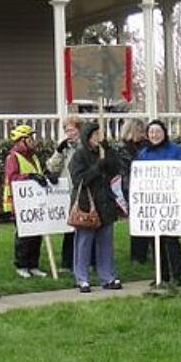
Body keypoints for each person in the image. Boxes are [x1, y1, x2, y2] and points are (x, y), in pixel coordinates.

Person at [68, 122, 123, 292]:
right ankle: (82, 278)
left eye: (100, 135)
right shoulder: (79, 156)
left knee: (105, 243)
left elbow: (116, 169)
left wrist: (109, 153)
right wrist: (96, 168)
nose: (99, 138)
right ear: (88, 137)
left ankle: (107, 277)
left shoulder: (104, 152)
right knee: (84, 242)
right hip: (87, 204)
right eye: (95, 135)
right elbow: (80, 180)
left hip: (105, 202)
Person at [138, 119, 181, 286]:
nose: (154, 135)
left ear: (164, 133)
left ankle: (177, 274)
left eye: (157, 131)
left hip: (172, 202)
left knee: (171, 238)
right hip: (152, 203)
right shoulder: (143, 154)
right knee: (155, 240)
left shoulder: (176, 151)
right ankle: (161, 274)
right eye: (151, 132)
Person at [3, 124, 49, 278]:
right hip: (19, 203)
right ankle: (21, 265)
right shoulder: (13, 157)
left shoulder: (34, 157)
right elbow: (12, 177)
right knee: (24, 236)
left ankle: (33, 265)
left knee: (37, 235)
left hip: (35, 202)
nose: (33, 140)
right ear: (22, 140)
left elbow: (39, 173)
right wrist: (30, 177)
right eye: (30, 137)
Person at [46, 115, 83, 270]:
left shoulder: (85, 146)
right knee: (70, 229)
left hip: (83, 190)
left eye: (72, 130)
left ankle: (87, 260)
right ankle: (68, 262)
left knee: (86, 226)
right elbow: (51, 167)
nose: (70, 133)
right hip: (67, 192)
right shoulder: (64, 147)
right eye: (67, 130)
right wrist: (58, 152)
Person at [118, 118, 149, 264]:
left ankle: (148, 251)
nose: (143, 134)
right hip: (131, 187)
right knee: (137, 221)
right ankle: (137, 255)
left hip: (147, 186)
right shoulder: (124, 149)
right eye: (140, 131)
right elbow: (126, 170)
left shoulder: (146, 146)